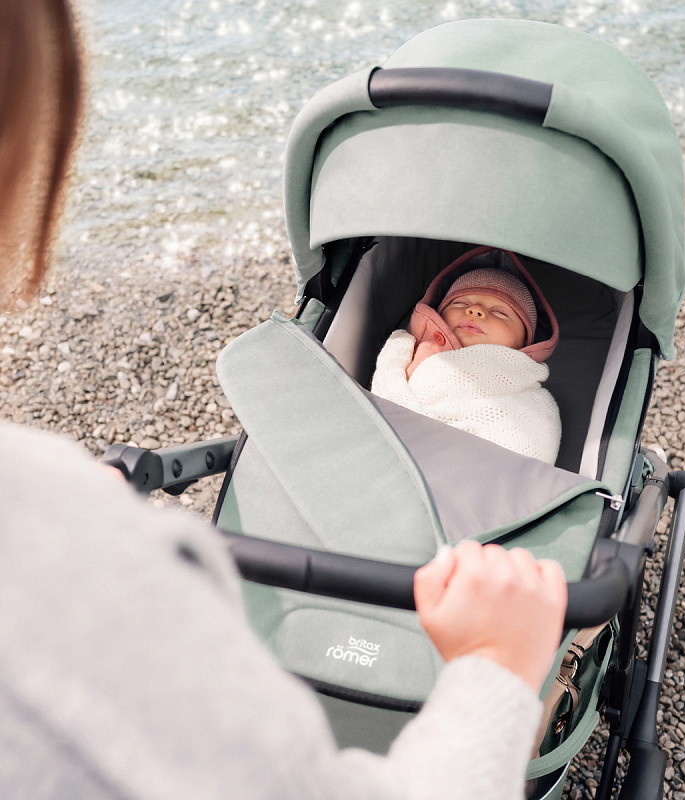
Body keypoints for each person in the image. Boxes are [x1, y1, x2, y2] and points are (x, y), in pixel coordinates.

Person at [0, 3, 567, 798]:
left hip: (485, 470)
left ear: (530, 344)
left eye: (496, 314)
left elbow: (527, 433)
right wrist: (496, 670)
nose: (473, 316)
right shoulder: (50, 547)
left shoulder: (517, 385)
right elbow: (374, 391)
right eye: (462, 305)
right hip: (387, 452)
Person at [372, 247, 562, 463]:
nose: (475, 310)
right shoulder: (406, 355)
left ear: (526, 341)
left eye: (499, 313)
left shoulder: (527, 399)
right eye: (460, 303)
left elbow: (527, 454)